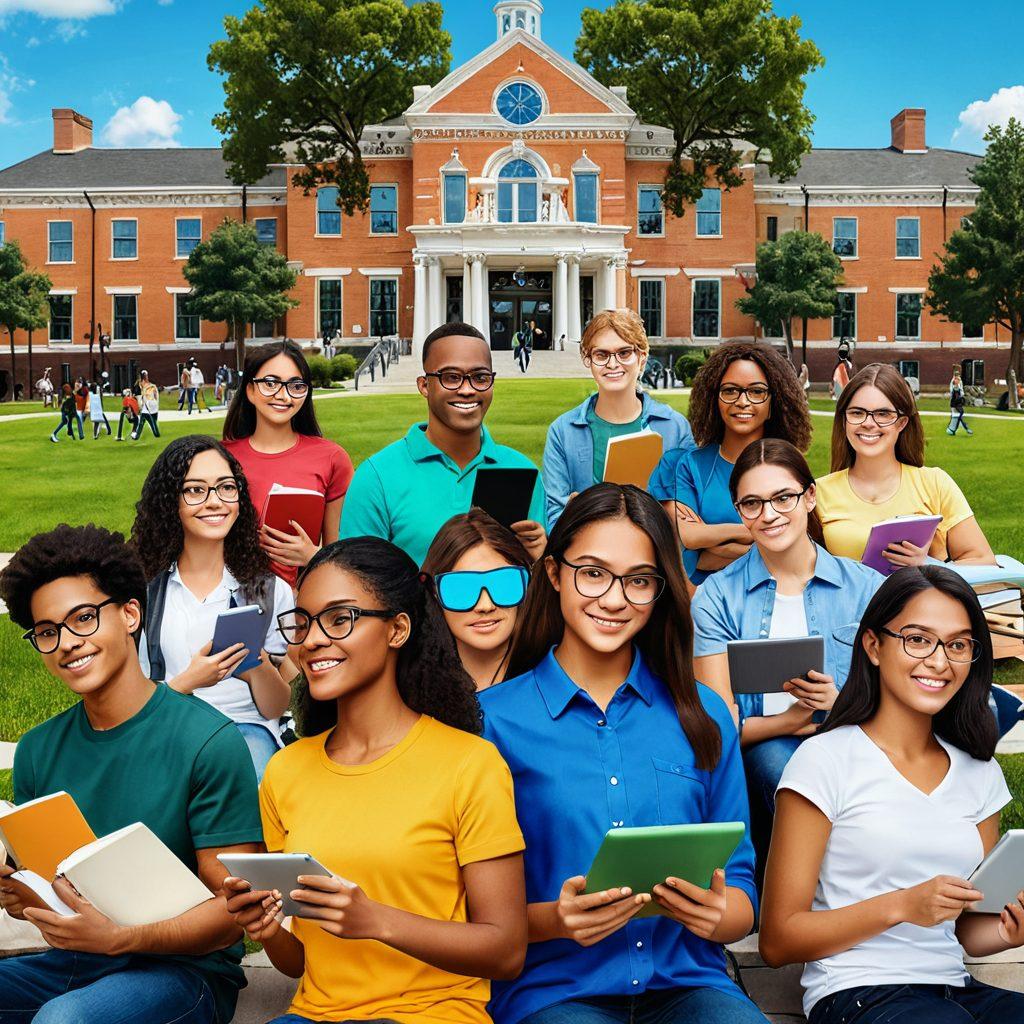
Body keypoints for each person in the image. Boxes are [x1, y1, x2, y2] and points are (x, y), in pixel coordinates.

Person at [480, 484, 766, 1024]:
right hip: (555, 993)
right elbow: (466, 910)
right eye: (593, 573)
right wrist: (557, 919)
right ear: (553, 573)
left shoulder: (704, 713)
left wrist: (717, 912)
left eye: (639, 580)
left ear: (660, 590)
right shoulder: (492, 723)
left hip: (690, 985)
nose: (614, 600)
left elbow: (742, 892)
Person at [222, 537, 528, 1024]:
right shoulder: (285, 771)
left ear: (397, 629)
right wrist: (268, 929)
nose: (312, 640)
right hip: (314, 1015)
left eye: (339, 619)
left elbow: (506, 950)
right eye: (303, 622)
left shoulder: (470, 764)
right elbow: (299, 962)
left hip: (433, 1015)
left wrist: (376, 920)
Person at [0, 524, 263, 1024]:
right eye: (48, 631)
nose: (66, 643)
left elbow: (233, 916)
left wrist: (122, 938)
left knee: (65, 1020)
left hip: (186, 971)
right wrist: (19, 894)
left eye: (83, 618)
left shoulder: (208, 741)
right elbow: (53, 892)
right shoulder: (37, 750)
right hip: (75, 963)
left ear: (129, 614)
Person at [759, 566, 1024, 1024]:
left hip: (954, 988)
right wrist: (901, 905)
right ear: (873, 646)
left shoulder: (980, 774)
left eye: (958, 645)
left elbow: (964, 929)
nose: (940, 661)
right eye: (918, 639)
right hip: (856, 992)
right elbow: (778, 941)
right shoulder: (824, 760)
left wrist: (1008, 932)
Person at [690, 439, 882, 861]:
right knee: (786, 772)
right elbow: (718, 728)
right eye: (752, 503)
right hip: (769, 748)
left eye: (783, 498)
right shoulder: (716, 598)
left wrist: (840, 704)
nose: (769, 514)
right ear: (739, 511)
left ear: (809, 497)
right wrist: (788, 721)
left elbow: (897, 700)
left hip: (856, 736)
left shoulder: (866, 587)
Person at [131, 436, 298, 778]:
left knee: (246, 769)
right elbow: (131, 704)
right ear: (170, 501)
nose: (215, 502)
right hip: (167, 728)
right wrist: (189, 681)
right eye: (195, 490)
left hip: (246, 730)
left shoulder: (270, 591)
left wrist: (258, 666)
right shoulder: (143, 594)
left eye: (226, 488)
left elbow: (275, 707)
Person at [341, 322, 547, 567]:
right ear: (424, 386)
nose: (467, 390)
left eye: (480, 378)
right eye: (451, 377)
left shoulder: (522, 470)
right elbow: (356, 578)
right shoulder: (377, 476)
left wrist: (538, 558)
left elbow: (538, 579)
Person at [648, 341, 812, 587]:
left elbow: (796, 546)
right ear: (714, 399)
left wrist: (713, 544)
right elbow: (690, 540)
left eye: (756, 391)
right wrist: (756, 533)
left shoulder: (788, 468)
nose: (742, 401)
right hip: (704, 598)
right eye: (730, 390)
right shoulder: (688, 466)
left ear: (773, 403)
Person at [816, 363, 995, 568]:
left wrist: (929, 566)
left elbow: (984, 561)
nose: (868, 423)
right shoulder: (817, 493)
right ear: (844, 420)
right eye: (857, 413)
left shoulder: (935, 483)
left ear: (902, 423)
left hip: (923, 589)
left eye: (883, 414)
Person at [542, 308, 695, 528]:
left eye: (624, 353)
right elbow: (554, 517)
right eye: (601, 355)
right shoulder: (562, 431)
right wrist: (575, 513)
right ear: (588, 359)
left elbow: (689, 512)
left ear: (642, 358)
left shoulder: (675, 427)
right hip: (588, 547)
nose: (612, 364)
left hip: (655, 547)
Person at [223, 340, 353, 589]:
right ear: (250, 390)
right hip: (228, 597)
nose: (283, 396)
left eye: (296, 386)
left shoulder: (332, 458)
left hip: (299, 600)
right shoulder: (221, 457)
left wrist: (312, 556)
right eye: (270, 383)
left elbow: (341, 557)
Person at [422, 509, 533, 690]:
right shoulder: (410, 686)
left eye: (502, 584)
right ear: (434, 593)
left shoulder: (554, 676)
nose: (485, 605)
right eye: (462, 589)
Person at [133, 369, 161, 440]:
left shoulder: (149, 385)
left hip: (149, 405)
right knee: (143, 422)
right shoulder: (145, 384)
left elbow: (155, 395)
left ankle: (156, 434)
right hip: (147, 406)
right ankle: (137, 436)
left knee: (151, 421)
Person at [948, 372, 972, 436]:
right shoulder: (953, 387)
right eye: (957, 379)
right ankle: (966, 429)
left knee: (957, 417)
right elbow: (953, 393)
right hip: (954, 404)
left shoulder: (959, 384)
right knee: (958, 417)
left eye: (959, 379)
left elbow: (961, 393)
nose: (959, 380)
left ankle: (952, 429)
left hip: (958, 404)